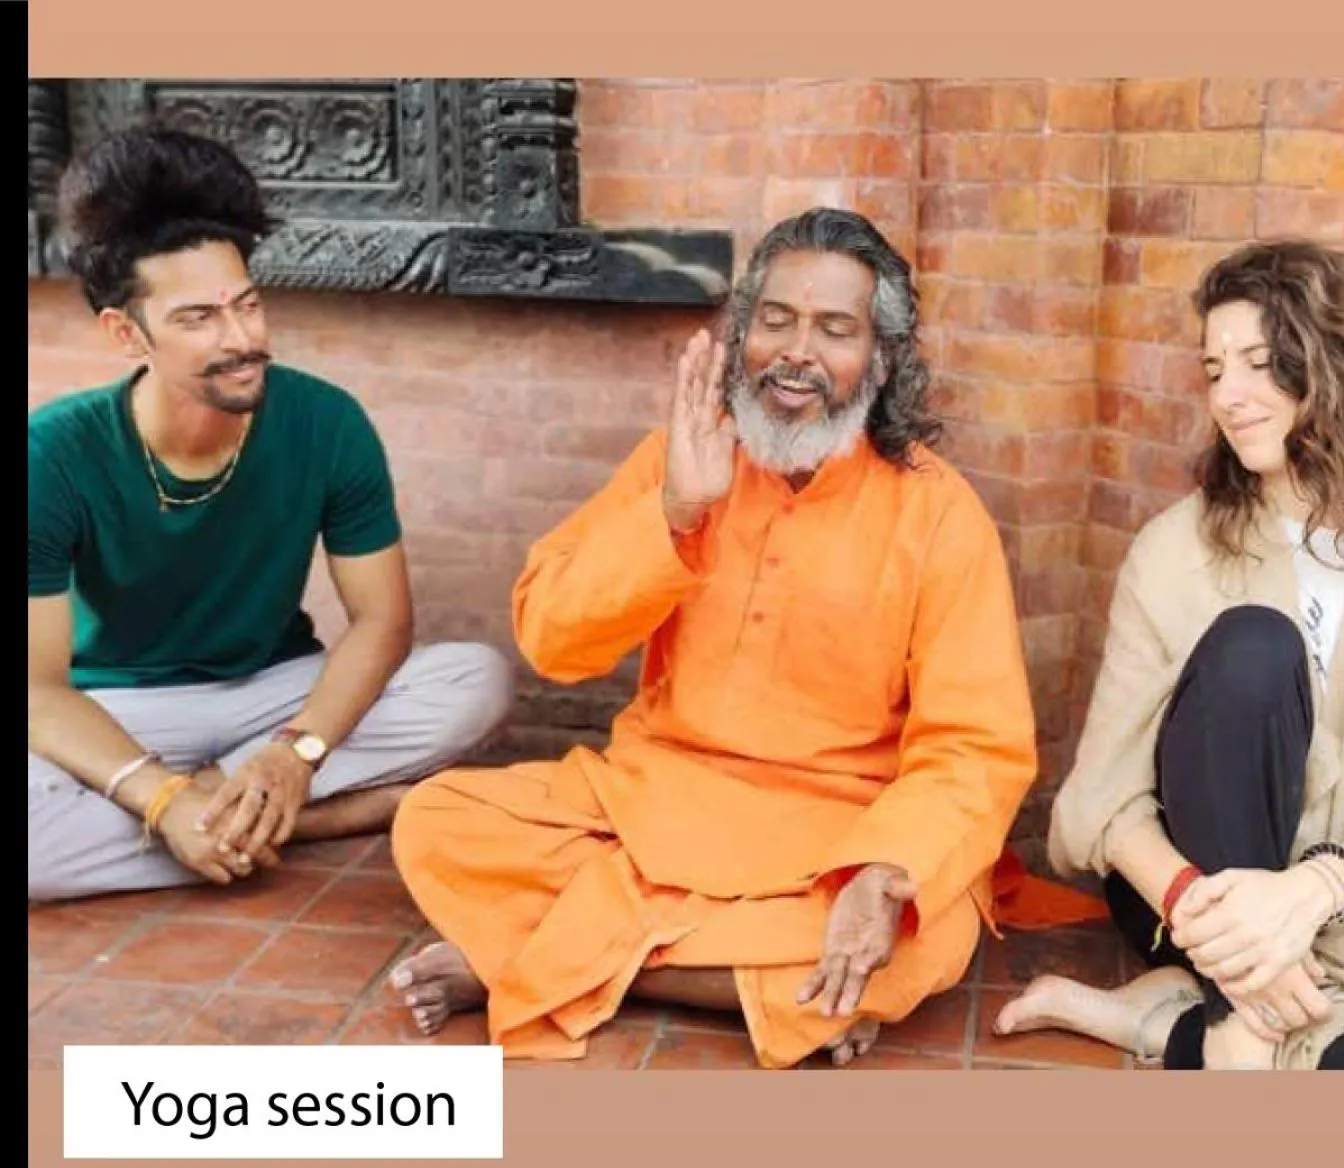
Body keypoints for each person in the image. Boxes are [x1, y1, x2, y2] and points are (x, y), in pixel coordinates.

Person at [387, 207, 1100, 1069]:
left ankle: (548, 961)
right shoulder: (681, 458)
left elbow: (975, 750)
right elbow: (552, 639)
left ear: (880, 357)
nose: (797, 351)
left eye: (835, 329)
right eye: (776, 320)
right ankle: (722, 983)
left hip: (832, 835)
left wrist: (880, 874)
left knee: (929, 934)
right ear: (742, 333)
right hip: (652, 805)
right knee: (437, 819)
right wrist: (676, 509)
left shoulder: (938, 513)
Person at [993, 239, 1344, 1070]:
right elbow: (1101, 799)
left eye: (1260, 363)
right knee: (1253, 647)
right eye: (1214, 371)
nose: (1229, 397)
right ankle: (1235, 1017)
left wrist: (1309, 894)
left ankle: (1172, 1031)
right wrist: (1232, 935)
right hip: (1193, 895)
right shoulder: (1175, 548)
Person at [28, 125, 514, 903]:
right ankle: (309, 818)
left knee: (472, 679)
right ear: (126, 333)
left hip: (276, 690)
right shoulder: (51, 452)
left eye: (247, 304)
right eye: (199, 319)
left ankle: (243, 807)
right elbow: (37, 689)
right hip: (120, 705)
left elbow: (384, 621)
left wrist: (297, 752)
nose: (244, 337)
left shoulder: (327, 421)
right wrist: (159, 795)